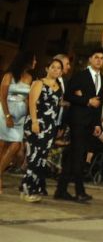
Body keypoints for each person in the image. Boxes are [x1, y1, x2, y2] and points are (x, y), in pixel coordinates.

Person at [55, 49, 103, 203]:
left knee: (73, 156)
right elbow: (69, 95)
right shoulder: (80, 75)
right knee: (78, 156)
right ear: (90, 59)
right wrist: (86, 100)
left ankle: (61, 190)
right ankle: (79, 191)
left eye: (102, 58)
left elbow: (100, 102)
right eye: (96, 57)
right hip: (77, 120)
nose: (99, 60)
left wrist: (97, 123)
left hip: (90, 122)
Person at [20, 58, 64, 202]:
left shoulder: (59, 87)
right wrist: (34, 122)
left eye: (59, 68)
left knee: (41, 158)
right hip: (36, 123)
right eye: (53, 67)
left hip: (50, 126)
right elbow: (32, 102)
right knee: (34, 156)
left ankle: (27, 187)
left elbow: (57, 106)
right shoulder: (39, 83)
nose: (56, 70)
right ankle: (28, 190)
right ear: (47, 68)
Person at [0, 51, 35, 194]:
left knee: (15, 145)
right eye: (33, 60)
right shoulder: (8, 76)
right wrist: (7, 115)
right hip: (4, 113)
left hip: (20, 118)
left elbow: (28, 98)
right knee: (1, 146)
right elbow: (2, 97)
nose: (35, 63)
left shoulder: (30, 77)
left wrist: (28, 115)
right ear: (25, 61)